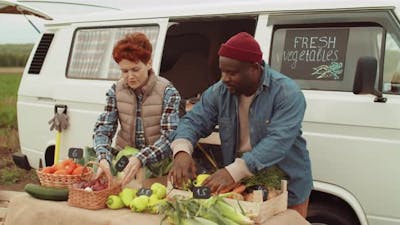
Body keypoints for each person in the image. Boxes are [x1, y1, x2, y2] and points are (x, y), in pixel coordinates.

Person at [169, 32, 313, 217]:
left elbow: (278, 141)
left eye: (232, 73)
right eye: (222, 71)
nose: (224, 78)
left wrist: (233, 171)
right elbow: (194, 121)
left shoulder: (287, 93)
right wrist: (181, 150)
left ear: (254, 68)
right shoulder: (219, 92)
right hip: (241, 186)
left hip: (286, 186)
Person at [93, 32, 181, 186]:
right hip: (125, 163)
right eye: (124, 71)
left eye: (135, 69)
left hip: (156, 167)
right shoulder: (116, 90)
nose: (130, 76)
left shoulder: (168, 92)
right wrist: (103, 158)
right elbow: (103, 129)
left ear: (148, 64)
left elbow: (170, 138)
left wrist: (141, 158)